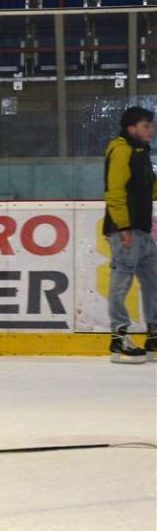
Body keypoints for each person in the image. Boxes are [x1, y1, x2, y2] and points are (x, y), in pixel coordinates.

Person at [104, 105, 157, 363]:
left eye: (151, 125)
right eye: (146, 125)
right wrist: (123, 227)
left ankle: (153, 335)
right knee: (121, 282)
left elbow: (149, 188)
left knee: (153, 282)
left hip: (143, 230)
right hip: (125, 230)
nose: (151, 130)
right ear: (131, 128)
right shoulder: (121, 150)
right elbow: (115, 191)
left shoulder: (141, 152)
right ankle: (119, 337)